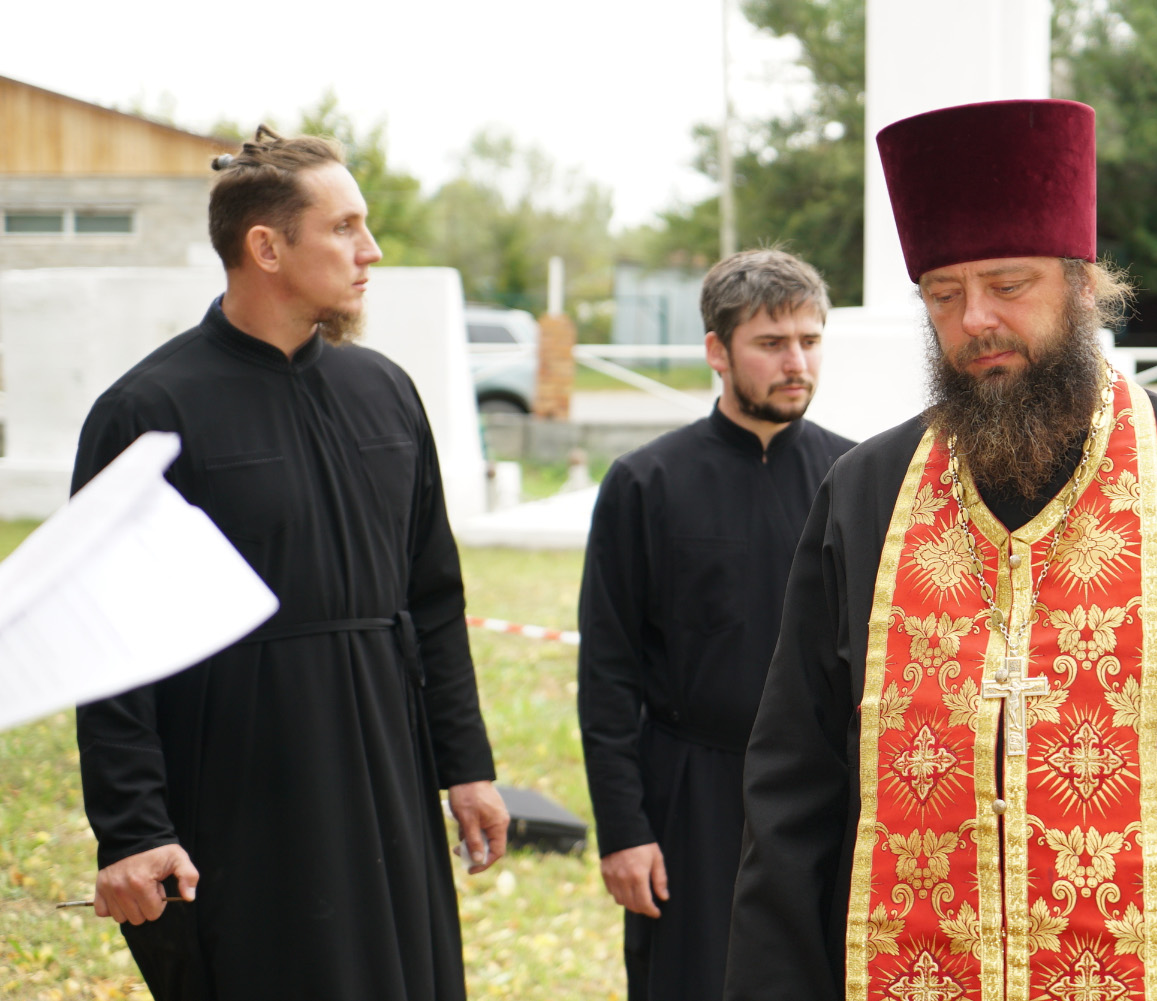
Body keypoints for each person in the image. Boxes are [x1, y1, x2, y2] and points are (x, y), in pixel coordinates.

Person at [724, 100, 1157, 1000]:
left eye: (1008, 284)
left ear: (1082, 285)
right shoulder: (864, 496)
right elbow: (794, 787)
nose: (976, 319)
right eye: (944, 294)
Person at [71, 126, 510, 1001]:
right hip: (244, 779)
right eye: (344, 228)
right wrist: (133, 828)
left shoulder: (385, 390)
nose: (370, 250)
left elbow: (433, 597)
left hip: (388, 763)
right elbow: (108, 637)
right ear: (266, 247)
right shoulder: (148, 410)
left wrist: (466, 765)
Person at [577, 249, 856, 1001]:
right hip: (689, 795)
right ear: (717, 351)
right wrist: (625, 829)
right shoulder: (645, 482)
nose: (796, 362)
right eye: (771, 343)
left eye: (809, 340)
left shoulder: (854, 479)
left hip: (823, 794)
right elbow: (607, 671)